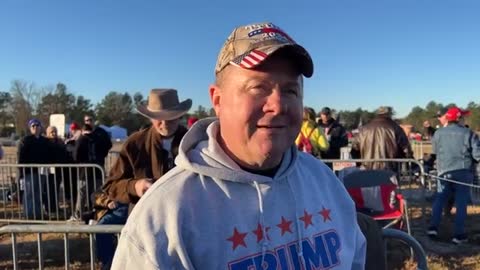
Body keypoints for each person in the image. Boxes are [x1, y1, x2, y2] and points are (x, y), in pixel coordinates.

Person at [112, 22, 365, 269]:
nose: (278, 105)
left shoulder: (325, 183)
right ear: (218, 100)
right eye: (258, 88)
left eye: (290, 91)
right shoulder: (164, 216)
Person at [95, 88, 190, 269]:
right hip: (145, 227)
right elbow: (111, 185)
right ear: (150, 117)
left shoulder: (192, 142)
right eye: (158, 118)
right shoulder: (135, 143)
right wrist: (135, 186)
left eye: (170, 116)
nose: (164, 123)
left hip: (185, 225)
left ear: (179, 115)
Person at [427, 107, 480, 244]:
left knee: (440, 198)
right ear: (458, 118)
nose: (464, 119)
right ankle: (458, 235)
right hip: (463, 172)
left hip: (443, 171)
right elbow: (477, 155)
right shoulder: (468, 133)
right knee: (461, 203)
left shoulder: (438, 133)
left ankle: (433, 227)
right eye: (463, 117)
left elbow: (434, 152)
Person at [351, 106, 412, 171]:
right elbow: (406, 149)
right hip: (390, 170)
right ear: (389, 115)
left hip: (367, 170)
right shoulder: (396, 128)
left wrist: (359, 164)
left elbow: (354, 150)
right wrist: (409, 164)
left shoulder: (363, 129)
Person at [17, 119, 52, 219]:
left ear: (41, 127)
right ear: (30, 128)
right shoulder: (25, 140)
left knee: (38, 193)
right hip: (29, 171)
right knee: (29, 193)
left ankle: (37, 213)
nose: (35, 127)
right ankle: (28, 214)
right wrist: (21, 170)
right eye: (33, 126)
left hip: (41, 171)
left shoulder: (44, 141)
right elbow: (21, 156)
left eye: (37, 125)